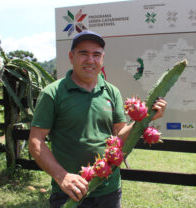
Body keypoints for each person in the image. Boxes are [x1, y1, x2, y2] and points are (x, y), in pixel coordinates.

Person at [28, 30, 167, 208]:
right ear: (71, 57)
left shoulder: (112, 92)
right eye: (83, 53)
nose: (90, 60)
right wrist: (62, 176)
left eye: (96, 54)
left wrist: (145, 119)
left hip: (109, 189)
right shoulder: (53, 93)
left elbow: (119, 137)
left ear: (102, 58)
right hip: (71, 191)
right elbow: (35, 140)